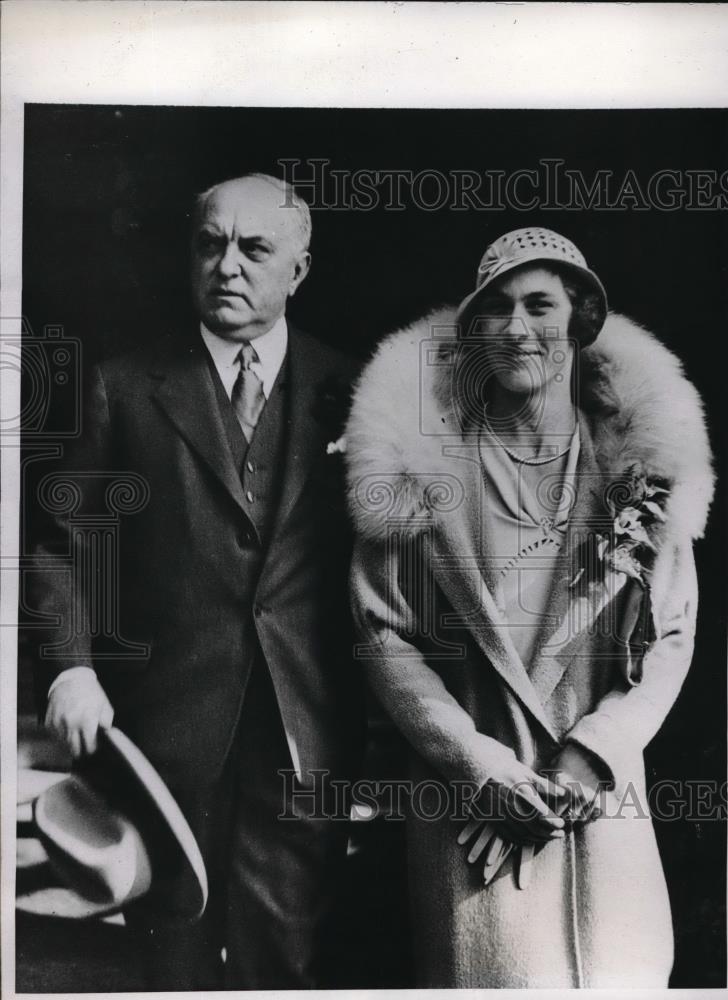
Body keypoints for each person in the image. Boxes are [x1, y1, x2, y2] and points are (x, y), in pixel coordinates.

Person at [346, 227, 713, 988]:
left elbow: (671, 634)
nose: (517, 329)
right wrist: (480, 768)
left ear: (581, 318)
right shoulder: (423, 468)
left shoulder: (636, 465)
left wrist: (593, 753)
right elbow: (383, 634)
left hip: (600, 806)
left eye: (540, 305)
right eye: (496, 311)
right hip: (471, 820)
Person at [31, 173, 363, 989]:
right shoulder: (122, 385)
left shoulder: (352, 392)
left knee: (285, 963)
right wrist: (72, 666)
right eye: (210, 244)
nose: (227, 267)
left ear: (301, 269)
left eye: (254, 249)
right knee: (166, 963)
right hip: (163, 741)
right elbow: (60, 545)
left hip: (303, 737)